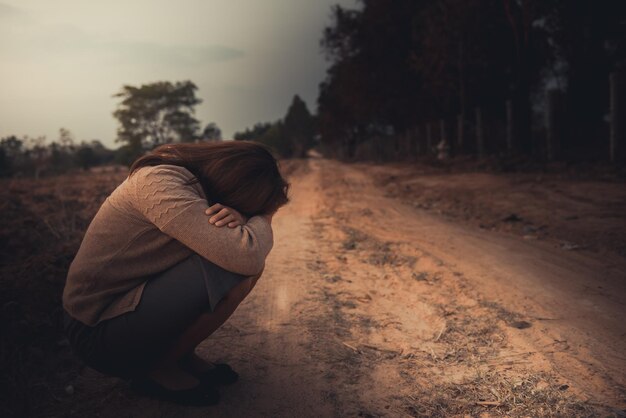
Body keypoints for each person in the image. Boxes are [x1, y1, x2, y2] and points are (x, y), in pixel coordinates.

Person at [61, 141, 289, 406]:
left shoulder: (193, 187)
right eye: (246, 204)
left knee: (232, 265)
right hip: (96, 331)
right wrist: (265, 215)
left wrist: (246, 216)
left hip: (126, 307)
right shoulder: (158, 184)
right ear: (232, 185)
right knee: (230, 271)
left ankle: (180, 355)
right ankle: (157, 370)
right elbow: (246, 256)